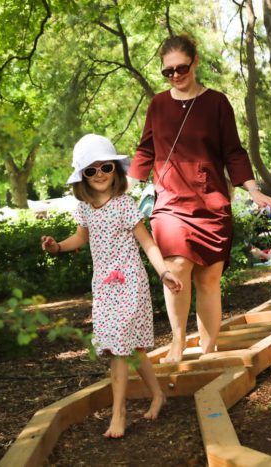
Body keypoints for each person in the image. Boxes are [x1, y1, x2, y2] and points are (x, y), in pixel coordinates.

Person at [128, 34, 271, 363]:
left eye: (181, 68)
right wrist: (126, 187)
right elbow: (145, 150)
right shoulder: (158, 106)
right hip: (169, 203)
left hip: (211, 202)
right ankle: (178, 342)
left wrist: (252, 188)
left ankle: (209, 351)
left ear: (194, 62)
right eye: (168, 72)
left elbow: (233, 152)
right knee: (176, 267)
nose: (176, 76)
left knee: (209, 280)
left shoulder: (217, 103)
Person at [42, 134, 183, 438]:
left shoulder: (124, 204)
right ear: (82, 177)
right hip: (104, 287)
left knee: (119, 347)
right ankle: (158, 394)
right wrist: (57, 248)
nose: (100, 175)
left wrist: (164, 272)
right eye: (90, 171)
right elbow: (80, 239)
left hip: (131, 282)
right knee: (131, 348)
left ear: (115, 169)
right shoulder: (84, 209)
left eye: (105, 167)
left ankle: (118, 413)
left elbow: (148, 243)